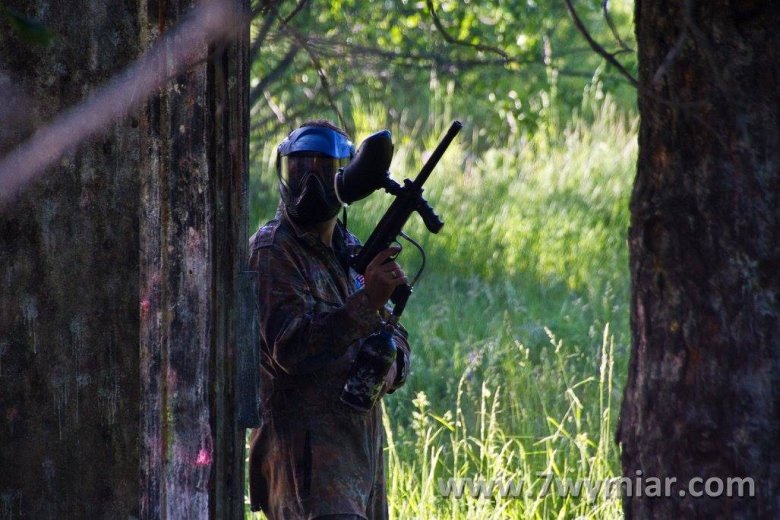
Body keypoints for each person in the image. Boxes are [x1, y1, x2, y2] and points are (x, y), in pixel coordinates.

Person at [248, 120, 412, 519]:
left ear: (346, 177)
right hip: (306, 472)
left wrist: (391, 366)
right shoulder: (273, 251)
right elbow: (291, 348)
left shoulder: (352, 249)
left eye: (322, 171)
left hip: (360, 468)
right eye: (299, 169)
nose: (310, 184)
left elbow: (397, 335)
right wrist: (366, 303)